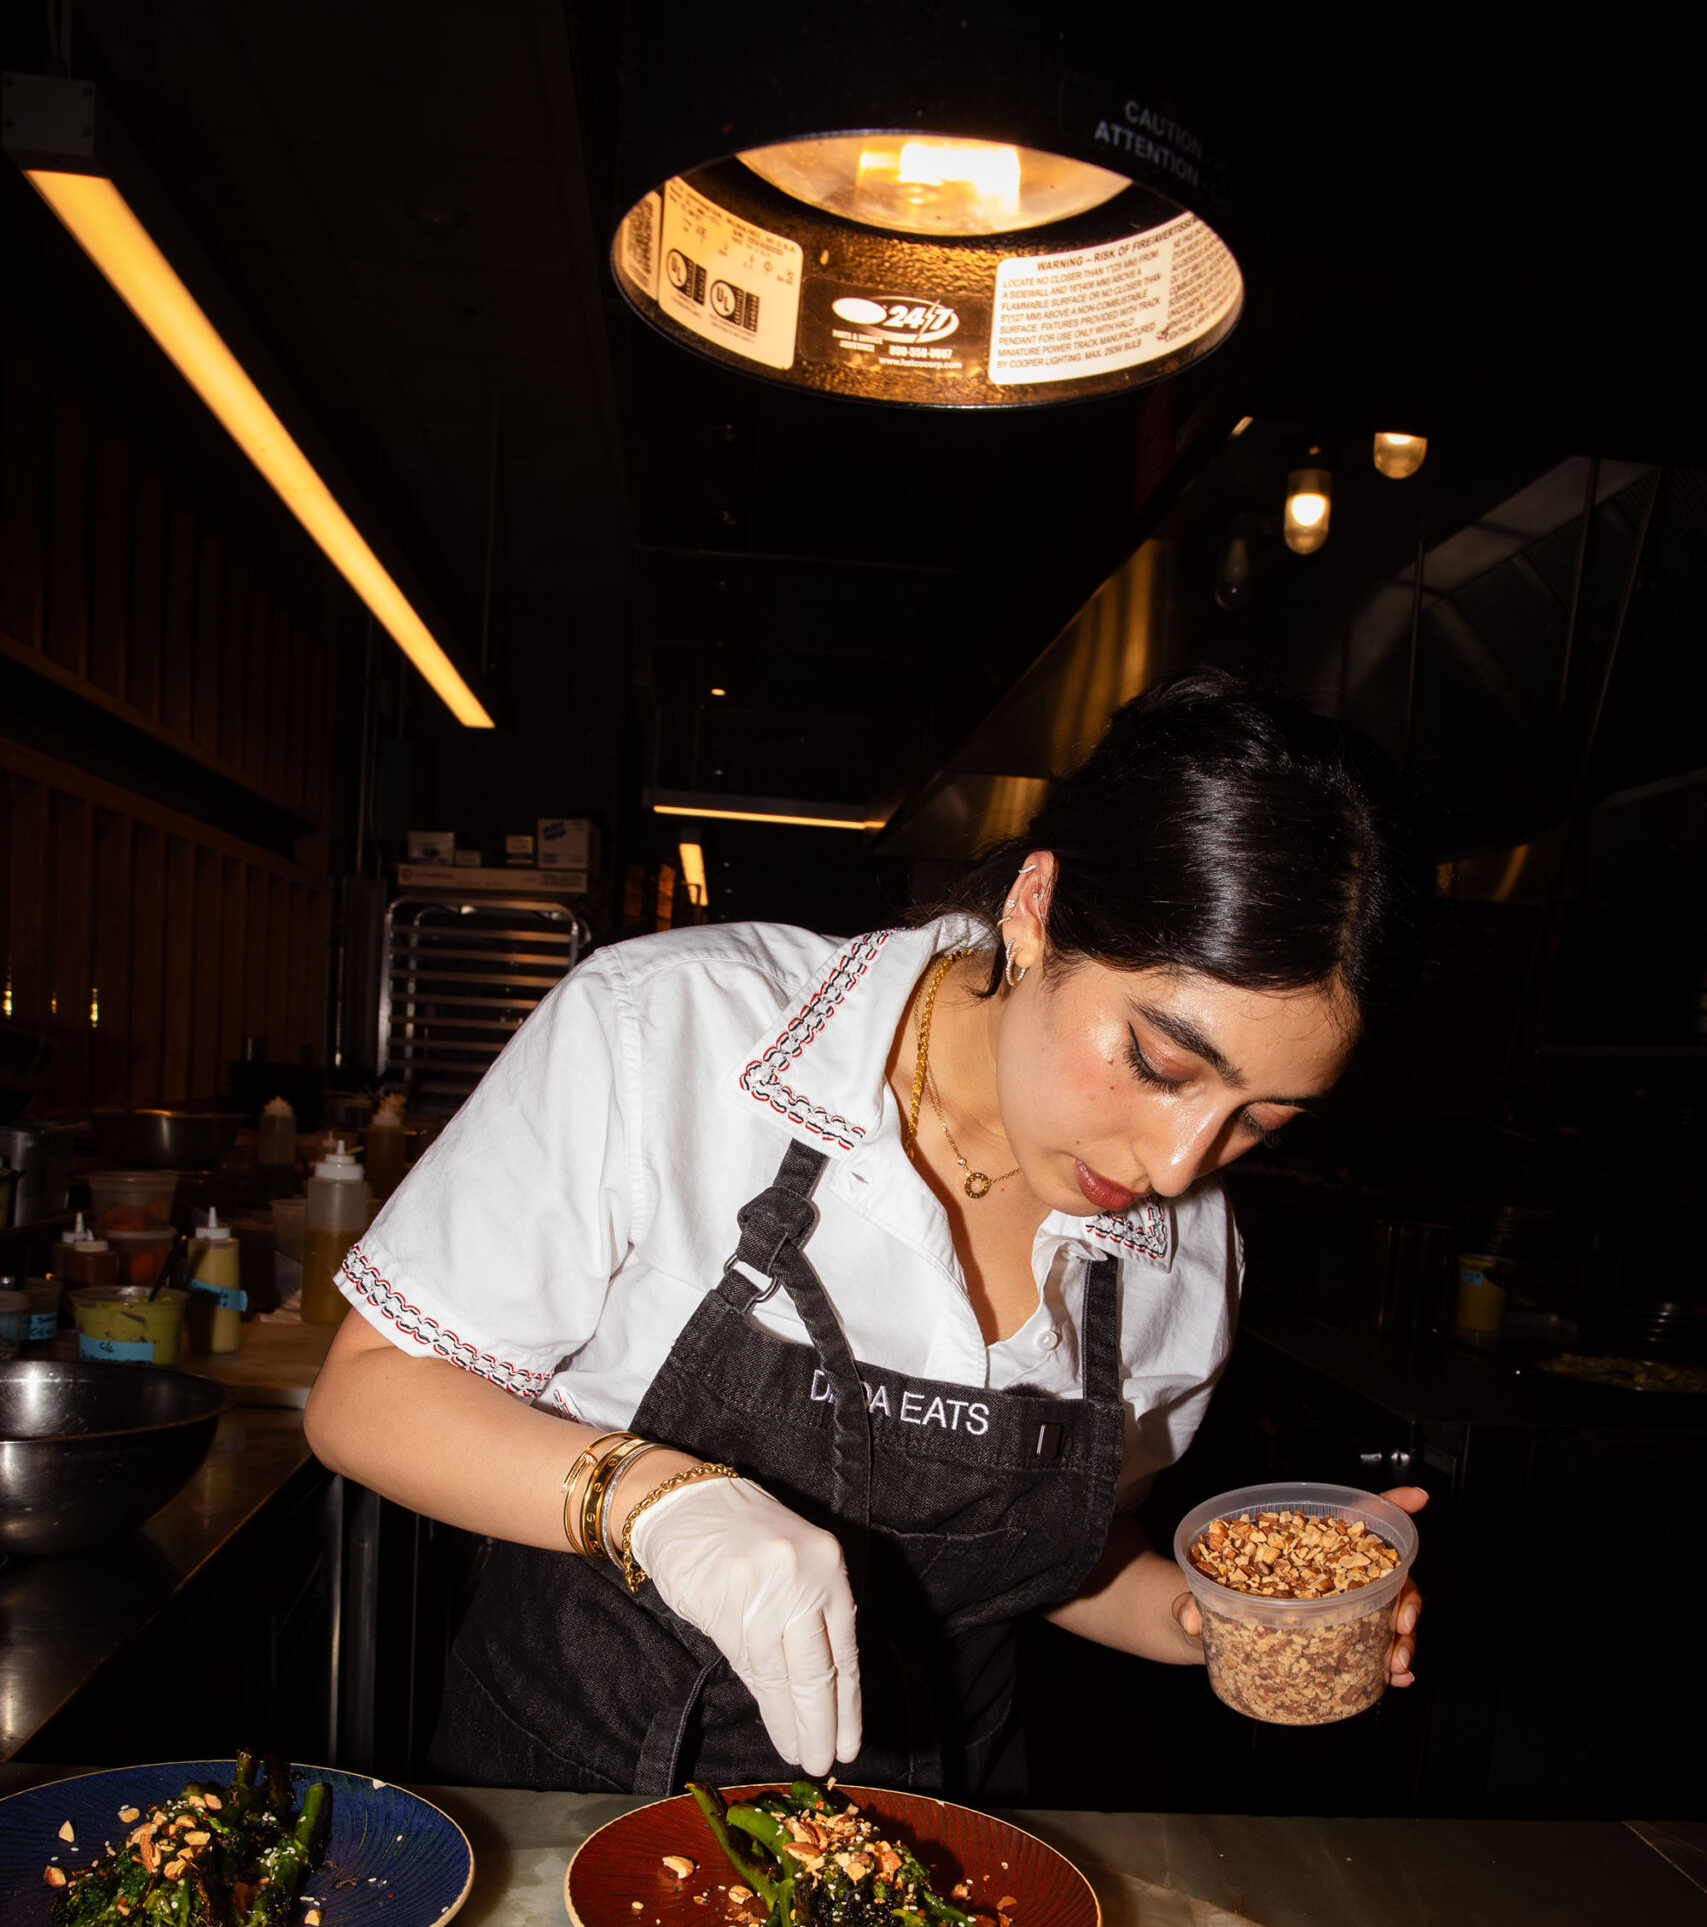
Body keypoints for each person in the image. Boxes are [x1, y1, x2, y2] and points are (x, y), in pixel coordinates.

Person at [305, 671, 1434, 1796]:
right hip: (574, 1798)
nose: (1178, 1166)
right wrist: (655, 1500)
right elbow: (367, 1396)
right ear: (1036, 909)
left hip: (936, 1836)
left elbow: (1059, 1550)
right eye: (1158, 1061)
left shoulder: (1188, 1251)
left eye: (1261, 1121)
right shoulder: (673, 1029)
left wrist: (1210, 1613)